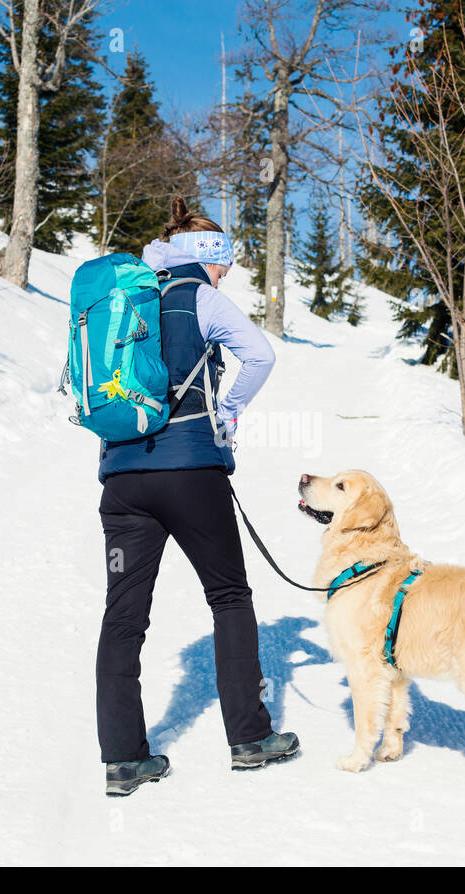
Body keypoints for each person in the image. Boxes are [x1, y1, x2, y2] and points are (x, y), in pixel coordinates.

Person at [96, 196, 299, 796]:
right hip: (191, 471)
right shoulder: (200, 298)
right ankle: (249, 739)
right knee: (230, 596)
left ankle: (123, 759)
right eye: (224, 265)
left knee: (123, 617)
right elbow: (259, 355)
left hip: (121, 478)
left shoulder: (120, 299)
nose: (226, 275)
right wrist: (227, 411)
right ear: (205, 259)